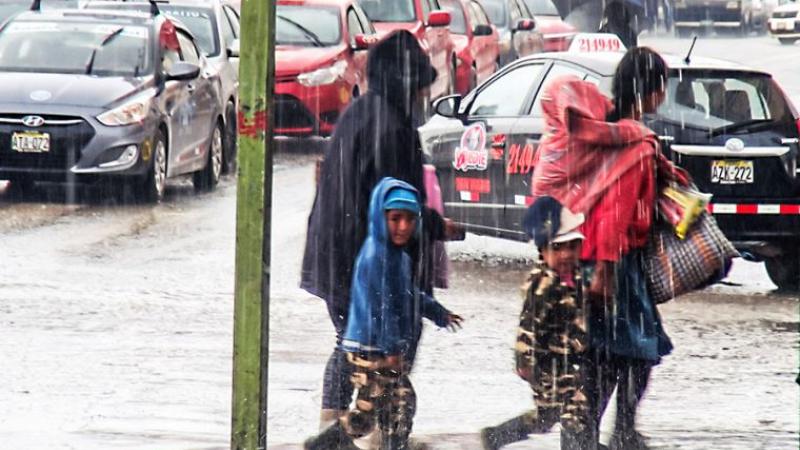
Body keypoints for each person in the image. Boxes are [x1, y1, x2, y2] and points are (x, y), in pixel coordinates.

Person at [300, 30, 462, 432]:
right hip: (358, 261)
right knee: (380, 349)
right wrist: (437, 226)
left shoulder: (361, 112)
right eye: (421, 86)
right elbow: (396, 207)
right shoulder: (392, 128)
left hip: (334, 255)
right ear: (407, 83)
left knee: (353, 343)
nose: (424, 96)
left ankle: (338, 426)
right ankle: (362, 432)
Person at [530, 47, 689, 450]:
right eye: (662, 87)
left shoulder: (611, 130)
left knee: (608, 351)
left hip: (600, 257)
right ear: (652, 91)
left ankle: (591, 433)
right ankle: (610, 433)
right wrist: (605, 269)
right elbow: (614, 212)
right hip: (613, 261)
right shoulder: (633, 145)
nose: (663, 96)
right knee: (635, 351)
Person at [303, 178, 463, 450]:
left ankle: (330, 442)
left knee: (374, 408)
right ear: (381, 217)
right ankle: (370, 444)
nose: (403, 227)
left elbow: (408, 294)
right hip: (369, 349)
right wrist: (391, 350)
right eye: (395, 219)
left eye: (410, 219)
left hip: (372, 346)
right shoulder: (377, 256)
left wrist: (439, 313)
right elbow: (384, 308)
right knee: (400, 399)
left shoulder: (396, 256)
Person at [480, 196, 595, 450]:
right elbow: (528, 327)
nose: (565, 255)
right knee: (556, 415)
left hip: (570, 361)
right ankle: (496, 436)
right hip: (547, 365)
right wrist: (524, 362)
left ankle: (497, 436)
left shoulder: (575, 277)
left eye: (571, 247)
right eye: (557, 248)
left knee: (568, 414)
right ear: (543, 251)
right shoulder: (543, 285)